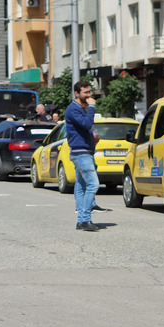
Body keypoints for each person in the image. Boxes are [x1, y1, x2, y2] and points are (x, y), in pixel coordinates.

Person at [65, 81, 100, 232]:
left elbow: (84, 129)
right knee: (93, 184)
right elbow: (86, 124)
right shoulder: (73, 109)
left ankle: (81, 221)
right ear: (77, 94)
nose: (88, 95)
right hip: (81, 153)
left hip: (84, 151)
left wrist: (93, 139)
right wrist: (92, 107)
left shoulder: (79, 108)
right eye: (85, 93)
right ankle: (85, 219)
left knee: (81, 186)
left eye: (89, 92)